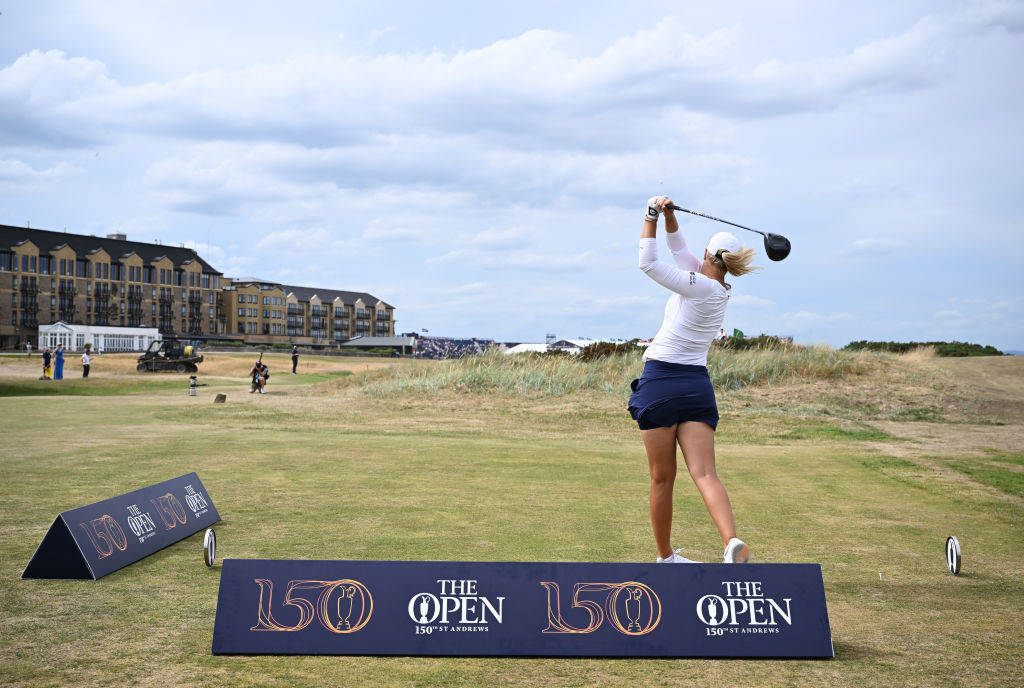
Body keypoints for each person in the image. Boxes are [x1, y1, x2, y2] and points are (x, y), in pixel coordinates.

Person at [628, 196, 759, 565]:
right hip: (696, 387)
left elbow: (648, 262)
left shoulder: (697, 285)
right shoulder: (717, 286)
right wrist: (670, 216)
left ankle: (665, 558)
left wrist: (650, 215)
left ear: (709, 254)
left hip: (660, 384)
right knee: (704, 473)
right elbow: (680, 251)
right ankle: (731, 541)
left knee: (661, 479)